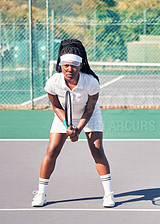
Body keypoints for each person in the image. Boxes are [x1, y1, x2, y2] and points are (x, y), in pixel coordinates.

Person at [31, 39, 115, 207]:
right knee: (52, 150)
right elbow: (55, 106)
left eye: (74, 66)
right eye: (66, 66)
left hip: (89, 117)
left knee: (97, 151)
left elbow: (90, 109)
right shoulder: (53, 82)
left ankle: (108, 194)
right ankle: (41, 193)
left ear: (81, 65)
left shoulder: (91, 82)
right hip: (63, 117)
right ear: (60, 65)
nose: (70, 69)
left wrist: (77, 130)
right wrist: (67, 125)